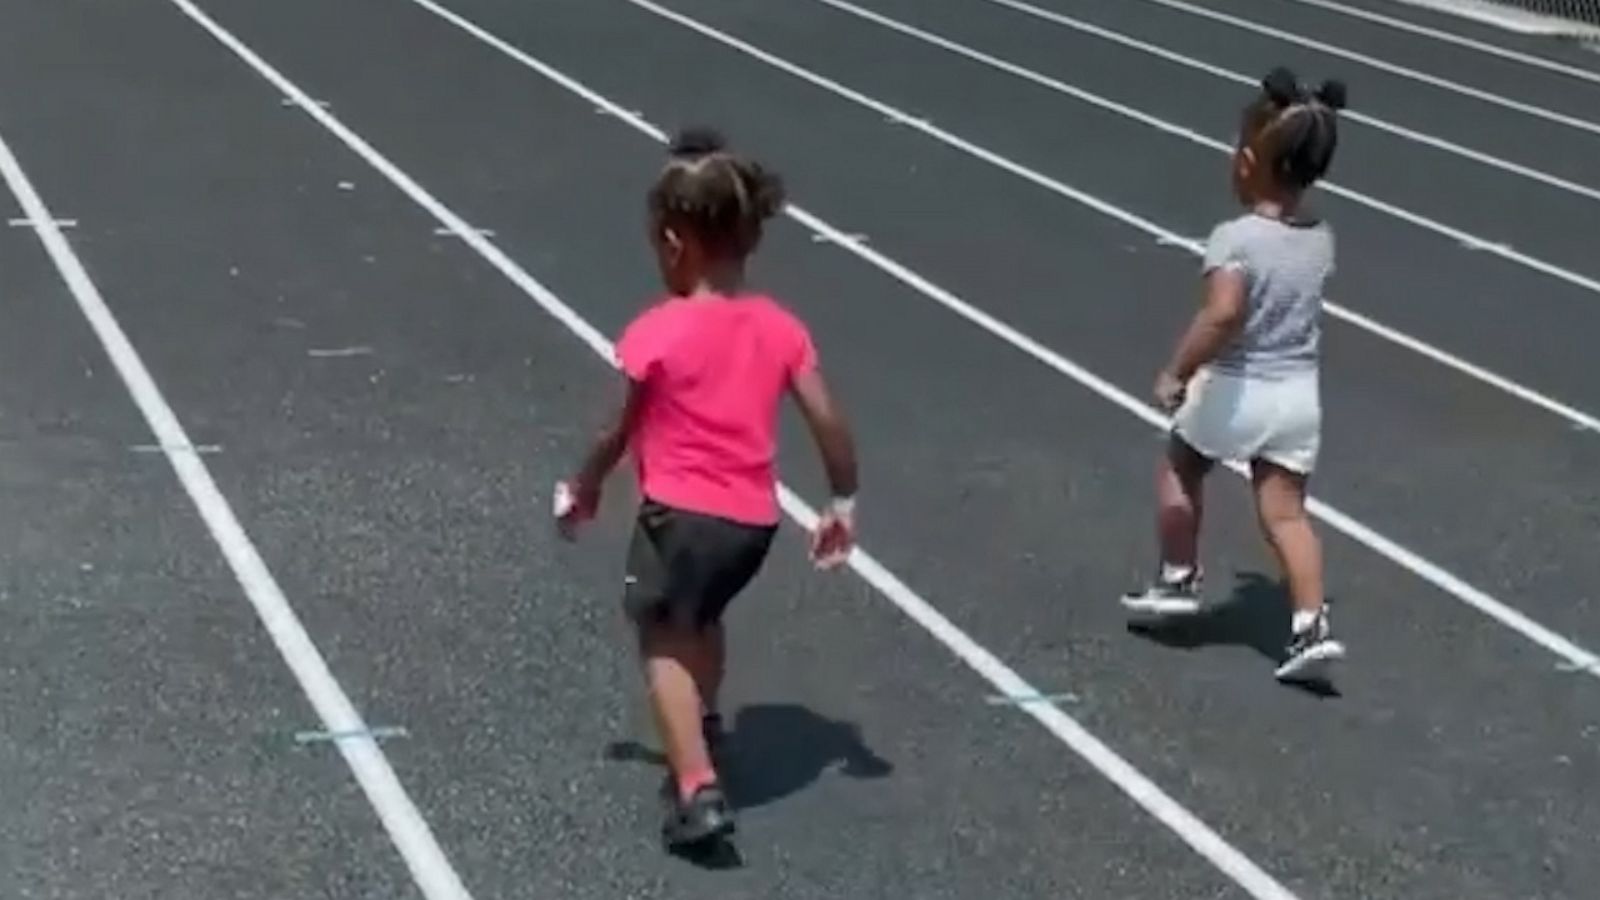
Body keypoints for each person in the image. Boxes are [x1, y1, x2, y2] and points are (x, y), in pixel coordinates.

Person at [555, 127, 860, 847]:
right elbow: (827, 419)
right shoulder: (781, 327)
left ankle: (696, 789)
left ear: (672, 242)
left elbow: (615, 430)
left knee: (662, 637)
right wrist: (841, 499)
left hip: (679, 516)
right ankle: (708, 720)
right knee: (704, 615)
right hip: (750, 524)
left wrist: (586, 486)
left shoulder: (658, 331)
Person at [1121, 68, 1348, 683]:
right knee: (1286, 514)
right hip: (1299, 396)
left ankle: (1178, 576)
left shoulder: (1235, 238)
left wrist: (1177, 370)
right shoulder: (1320, 239)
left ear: (1248, 161)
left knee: (1181, 463)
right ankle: (1309, 627)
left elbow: (1223, 314)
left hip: (1239, 388)